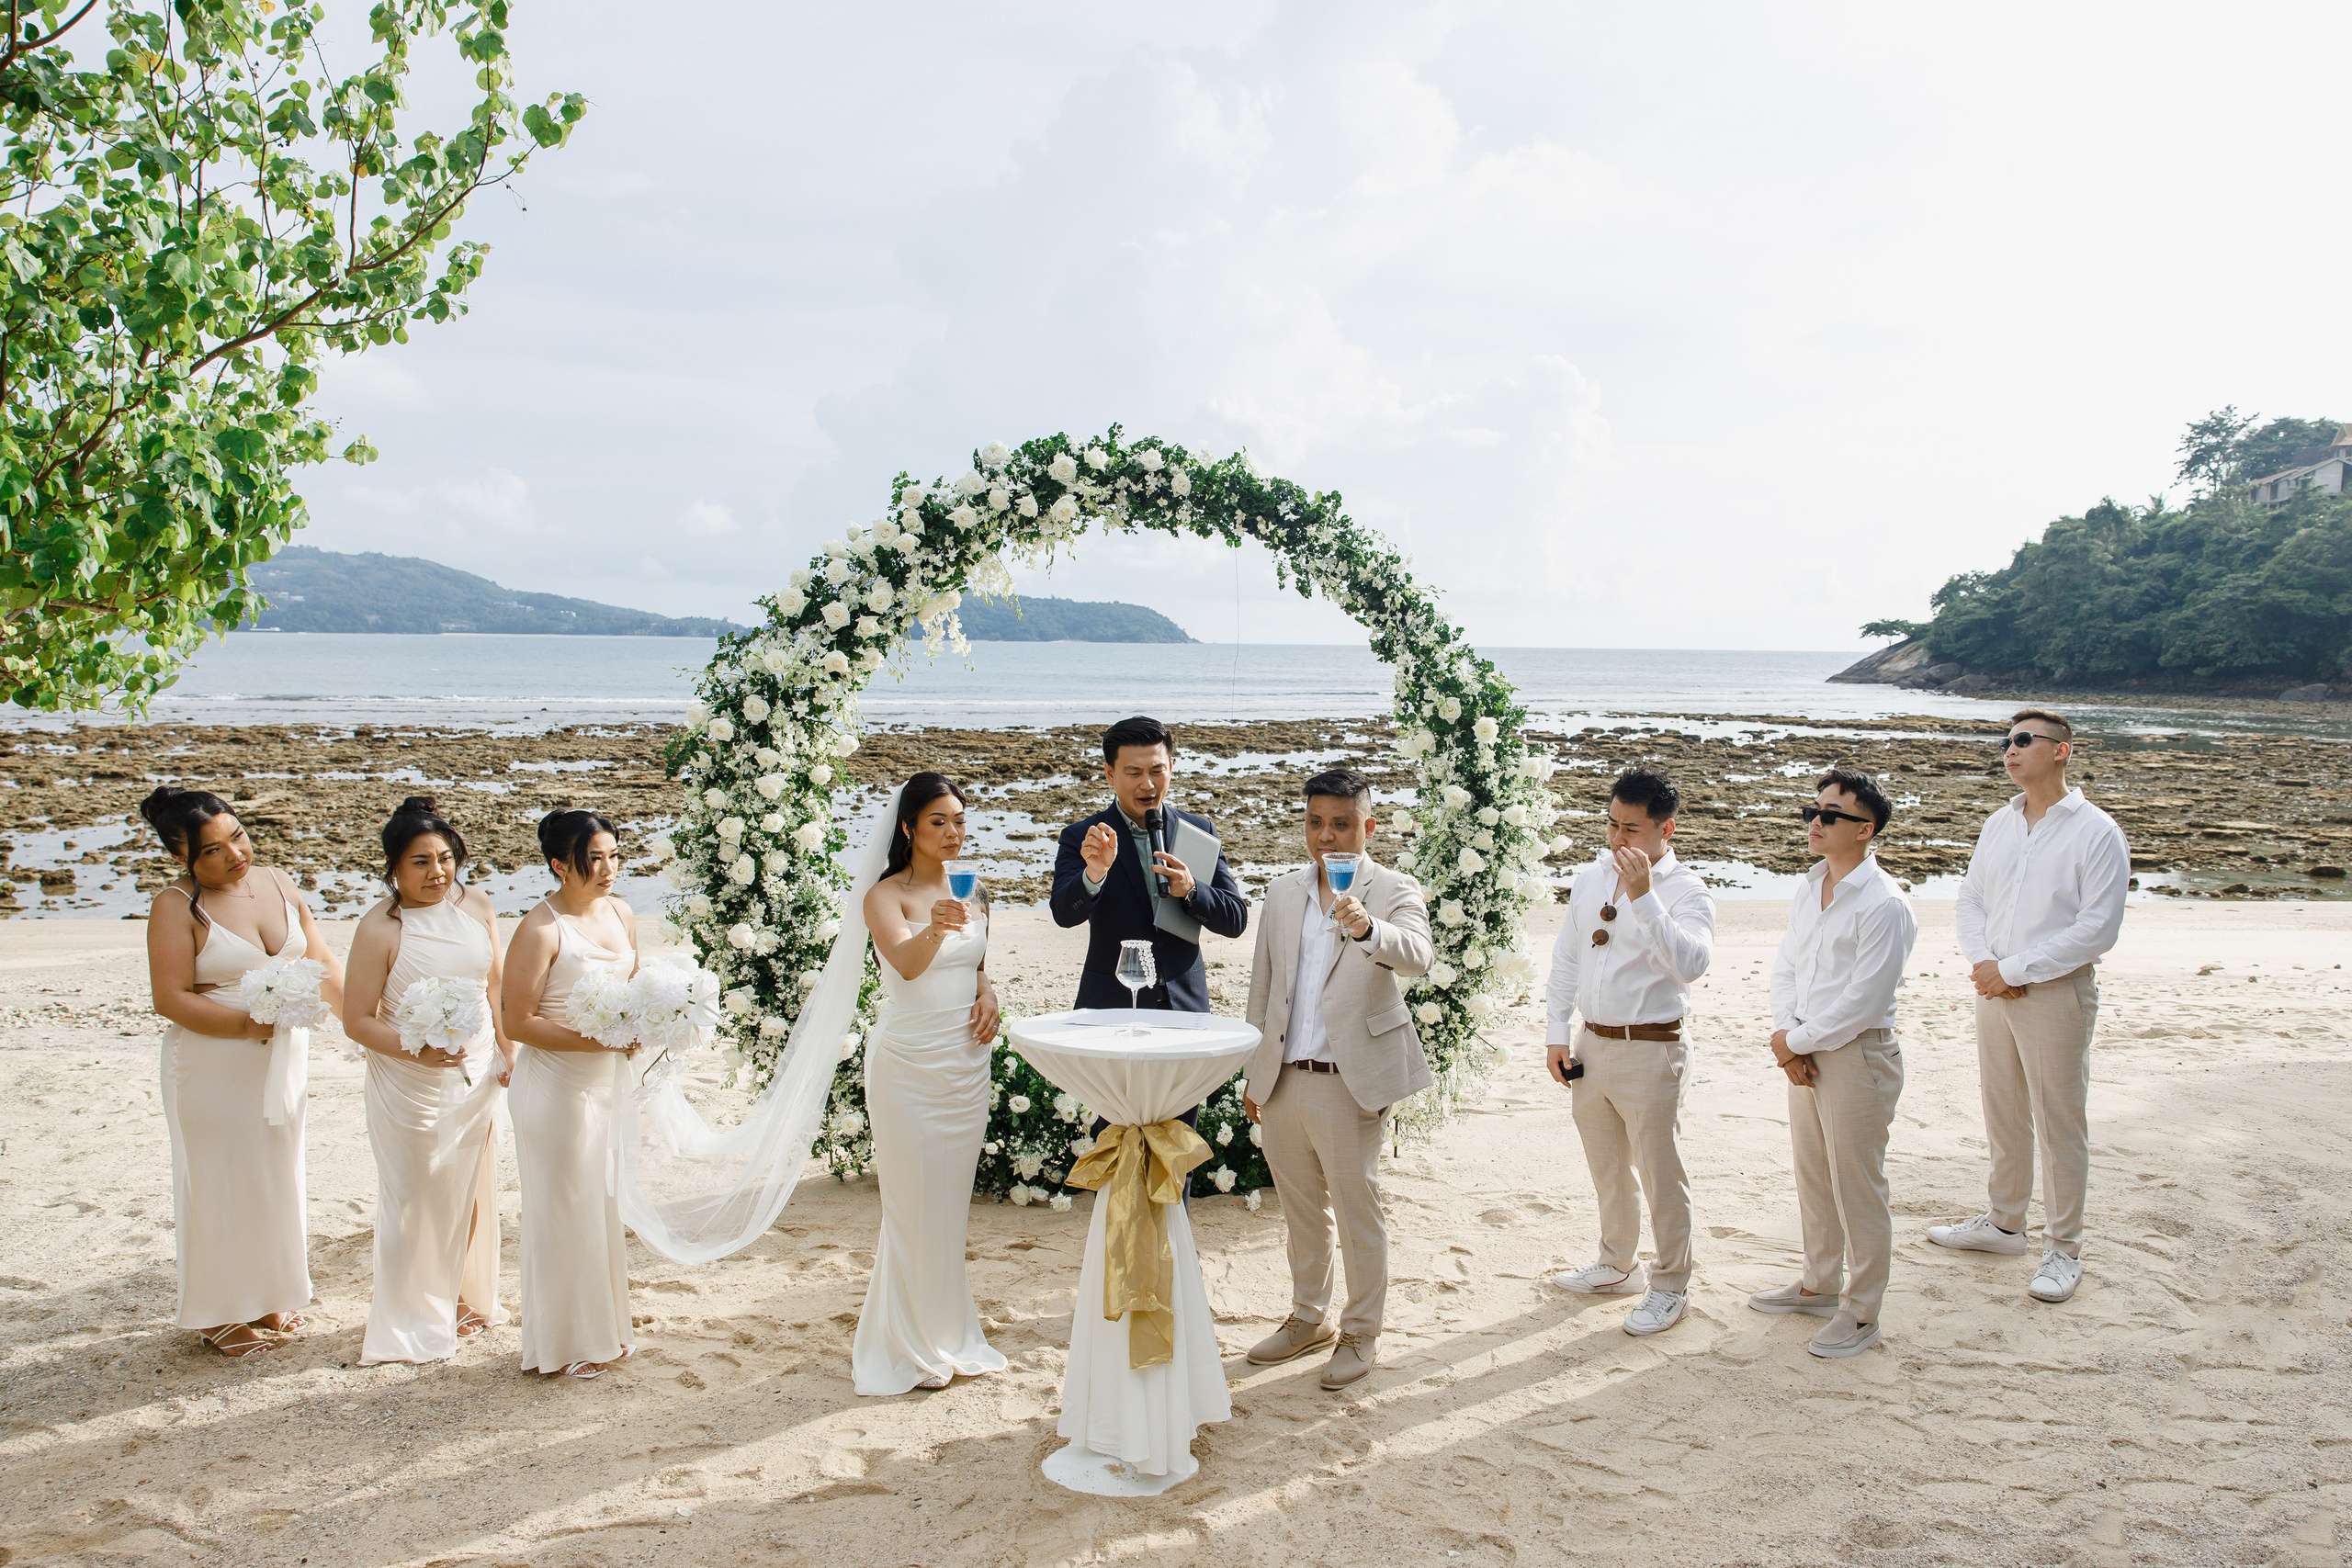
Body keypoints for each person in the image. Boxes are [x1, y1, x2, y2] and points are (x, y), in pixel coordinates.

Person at [1238, 769, 1433, 1391]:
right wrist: (1254, 1075)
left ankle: (1361, 1330)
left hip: (1351, 1081)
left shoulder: (1393, 888)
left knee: (1356, 1211)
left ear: (1368, 826)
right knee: (1300, 1210)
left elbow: (1419, 955)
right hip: (1283, 1076)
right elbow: (1263, 987)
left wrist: (1368, 928)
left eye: (1342, 824)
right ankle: (1308, 1317)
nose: (1328, 836)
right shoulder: (1282, 892)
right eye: (1316, 822)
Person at [1929, 708, 2130, 1304]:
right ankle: (2004, 1223)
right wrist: (1985, 963)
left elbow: (2097, 928)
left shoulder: (2097, 831)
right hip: (1993, 987)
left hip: (2056, 992)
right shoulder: (2000, 823)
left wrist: (2013, 969)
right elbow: (1972, 897)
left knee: (2059, 1121)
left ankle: (2064, 1248)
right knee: (2004, 1112)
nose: (2009, 750)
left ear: (2061, 750)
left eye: (2023, 740)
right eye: (2006, 741)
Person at [141, 785, 344, 1358]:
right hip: (213, 1062)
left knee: (276, 1175)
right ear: (181, 856)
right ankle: (219, 1313)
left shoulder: (278, 882)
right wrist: (247, 1026)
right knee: (219, 1180)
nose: (235, 854)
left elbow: (322, 961)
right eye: (212, 850)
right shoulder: (175, 906)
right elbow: (170, 997)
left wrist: (365, 1023)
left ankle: (269, 1295)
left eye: (238, 836)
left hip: (284, 1058)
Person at [1750, 769, 1917, 1359]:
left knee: (1857, 1186)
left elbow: (1865, 1000)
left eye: (1830, 815)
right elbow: (1787, 967)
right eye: (1812, 811)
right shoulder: (1810, 886)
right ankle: (1819, 1284)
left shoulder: (1885, 904)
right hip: (1806, 1045)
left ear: (1865, 829)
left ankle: (1862, 1311)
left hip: (1858, 1053)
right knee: (1814, 1174)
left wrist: (1797, 1042)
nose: (1815, 822)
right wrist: (1789, 1036)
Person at [851, 773, 1010, 1395]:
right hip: (909, 1066)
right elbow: (909, 965)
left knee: (947, 1205)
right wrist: (937, 927)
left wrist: (988, 994)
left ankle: (948, 1333)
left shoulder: (975, 889)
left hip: (965, 1065)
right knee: (911, 1203)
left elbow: (978, 966)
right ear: (909, 827)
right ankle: (908, 1343)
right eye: (939, 821)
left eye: (959, 821)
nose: (952, 832)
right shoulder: (884, 896)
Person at [1542, 769, 1715, 1337]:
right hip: (1592, 1043)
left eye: (1631, 829)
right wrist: (1557, 1033)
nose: (1618, 839)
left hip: (1653, 1047)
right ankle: (1618, 1264)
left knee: (1660, 1172)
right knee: (1608, 1164)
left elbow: (1691, 965)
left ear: (1666, 829)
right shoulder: (1591, 878)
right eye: (1612, 824)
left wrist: (1644, 897)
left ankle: (1671, 1284)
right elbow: (1568, 958)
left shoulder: (1687, 890)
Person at [339, 797, 512, 1365]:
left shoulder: (477, 905)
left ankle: (457, 1292)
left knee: (467, 1187)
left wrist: (507, 1049)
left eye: (445, 858)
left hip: (476, 1072)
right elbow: (357, 1019)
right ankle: (417, 1308)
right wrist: (418, 1048)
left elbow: (494, 986)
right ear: (393, 868)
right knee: (417, 1194)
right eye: (420, 862)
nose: (438, 872)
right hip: (408, 1080)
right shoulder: (380, 928)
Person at [501, 808, 639, 1379]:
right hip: (554, 1088)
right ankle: (564, 1344)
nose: (608, 869)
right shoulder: (540, 929)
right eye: (593, 859)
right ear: (559, 865)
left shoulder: (623, 913)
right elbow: (517, 1021)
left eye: (613, 856)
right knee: (564, 1212)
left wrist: (644, 1024)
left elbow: (634, 989)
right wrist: (599, 1040)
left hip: (605, 1083)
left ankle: (602, 1331)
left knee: (599, 1206)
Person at [1052, 715, 1249, 1014]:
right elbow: (1064, 914)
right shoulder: (1084, 836)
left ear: (1171, 767)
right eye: (1134, 773)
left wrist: (1192, 890)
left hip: (1186, 1005)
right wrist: (1094, 874)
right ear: (1109, 774)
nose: (1147, 784)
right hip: (1110, 1005)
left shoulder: (1200, 831)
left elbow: (1235, 920)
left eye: (1157, 771)